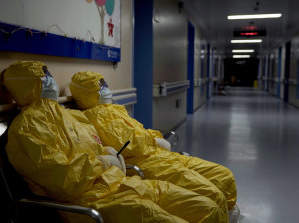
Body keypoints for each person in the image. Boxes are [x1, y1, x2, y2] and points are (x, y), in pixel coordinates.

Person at [4, 61, 227, 223]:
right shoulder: (25, 129)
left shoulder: (73, 116)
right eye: (44, 77)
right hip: (89, 202)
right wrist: (102, 162)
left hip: (121, 184)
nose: (50, 81)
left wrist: (107, 153)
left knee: (208, 207)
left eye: (49, 75)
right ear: (28, 85)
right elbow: (61, 178)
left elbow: (99, 145)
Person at [69, 71, 237, 213]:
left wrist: (155, 138)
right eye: (100, 86)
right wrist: (153, 140)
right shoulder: (95, 117)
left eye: (104, 84)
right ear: (88, 93)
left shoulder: (114, 109)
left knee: (223, 175)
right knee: (213, 196)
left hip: (160, 156)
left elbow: (138, 131)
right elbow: (129, 144)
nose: (106, 88)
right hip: (147, 163)